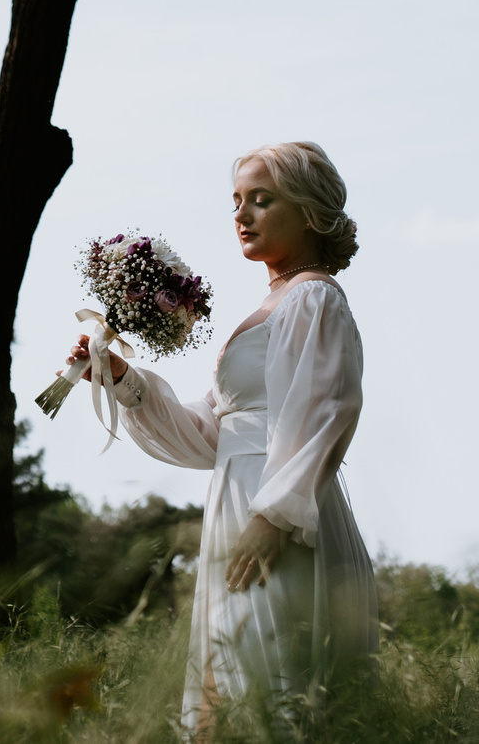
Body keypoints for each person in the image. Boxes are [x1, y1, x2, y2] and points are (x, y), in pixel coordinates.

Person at [65, 141, 377, 732]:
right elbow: (210, 436)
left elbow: (326, 413)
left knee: (271, 687)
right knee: (225, 689)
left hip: (280, 514)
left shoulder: (313, 297)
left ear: (309, 212)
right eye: (237, 201)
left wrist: (274, 517)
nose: (242, 214)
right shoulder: (268, 307)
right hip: (238, 503)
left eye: (262, 200)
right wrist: (125, 380)